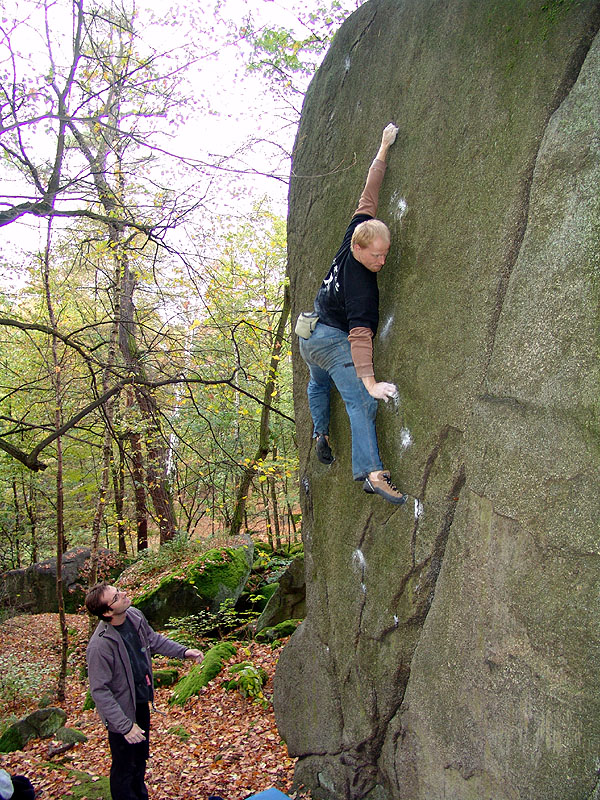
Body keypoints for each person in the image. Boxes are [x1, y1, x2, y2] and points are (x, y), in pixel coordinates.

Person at [299, 122, 407, 505]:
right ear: (359, 248)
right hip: (329, 338)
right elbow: (359, 337)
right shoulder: (362, 287)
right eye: (375, 254)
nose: (381, 259)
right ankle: (373, 473)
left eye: (386, 253)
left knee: (318, 383)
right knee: (360, 402)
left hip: (308, 337)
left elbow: (370, 191)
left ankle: (320, 432)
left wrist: (383, 147)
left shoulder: (357, 230)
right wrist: (372, 384)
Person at [85, 583, 204, 800]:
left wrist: (184, 651)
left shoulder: (134, 616)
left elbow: (153, 640)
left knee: (140, 760)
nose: (123, 594)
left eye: (119, 590)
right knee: (124, 767)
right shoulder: (99, 646)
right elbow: (100, 691)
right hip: (120, 714)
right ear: (107, 612)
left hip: (140, 701)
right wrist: (125, 726)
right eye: (116, 597)